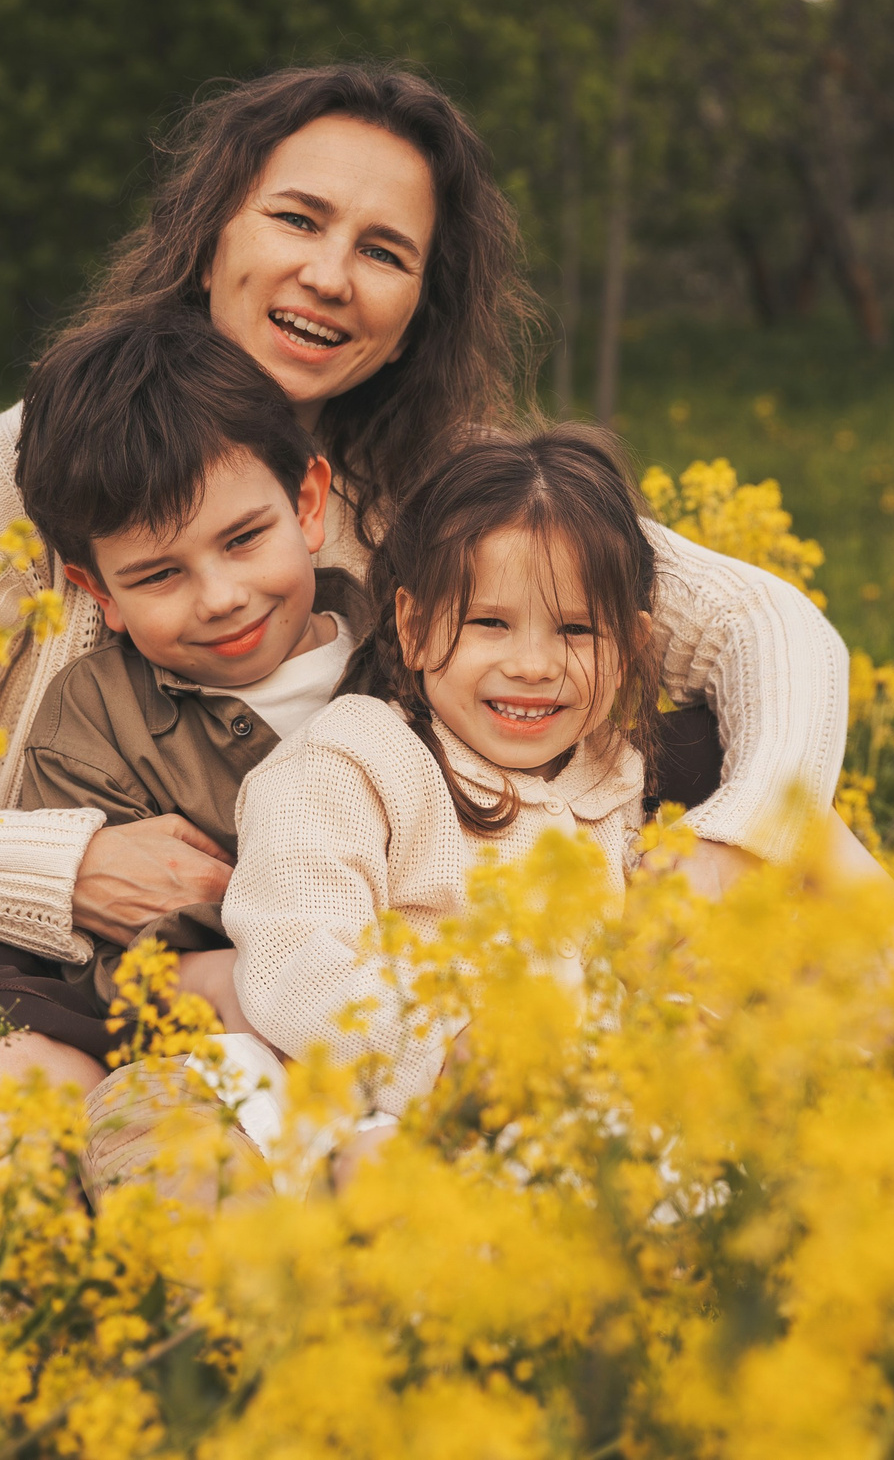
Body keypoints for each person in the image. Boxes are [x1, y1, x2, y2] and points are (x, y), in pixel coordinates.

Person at [0, 64, 851, 1108]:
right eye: (297, 218)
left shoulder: (442, 476)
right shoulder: (32, 466)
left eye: (383, 251)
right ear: (210, 234)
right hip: (106, 968)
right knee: (21, 1126)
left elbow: (764, 625)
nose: (329, 275)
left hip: (376, 937)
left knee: (791, 829)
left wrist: (734, 840)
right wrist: (70, 865)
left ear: (416, 307)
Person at [0, 310, 344, 1093]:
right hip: (216, 1059)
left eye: (244, 539)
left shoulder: (418, 655)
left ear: (308, 505)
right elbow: (86, 973)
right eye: (160, 575)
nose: (221, 598)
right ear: (100, 593)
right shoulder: (96, 719)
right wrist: (243, 983)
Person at [223, 426, 660, 1133]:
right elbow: (289, 954)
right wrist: (448, 1052)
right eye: (491, 622)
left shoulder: (617, 780)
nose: (534, 665)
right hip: (384, 1110)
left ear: (631, 648)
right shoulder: (356, 757)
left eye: (576, 631)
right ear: (416, 627)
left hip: (578, 1124)